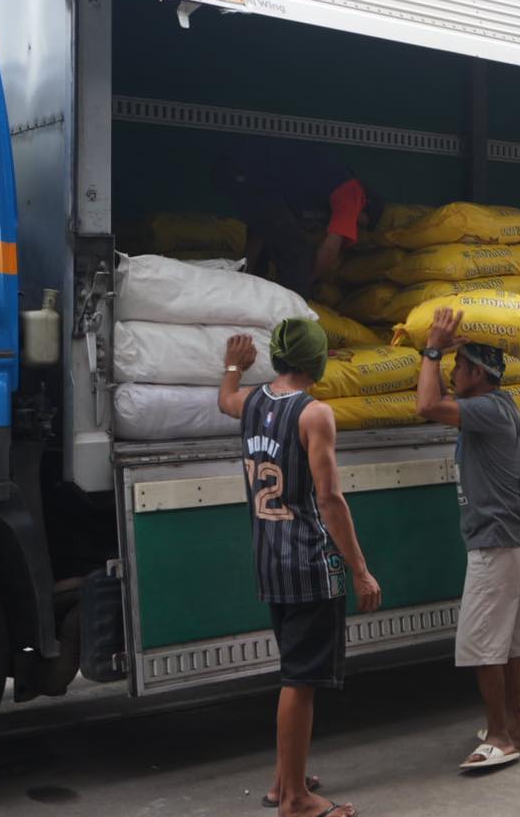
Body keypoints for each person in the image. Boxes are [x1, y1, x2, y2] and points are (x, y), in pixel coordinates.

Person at [217, 318, 381, 817]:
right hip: (310, 563)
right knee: (301, 681)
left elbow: (226, 399)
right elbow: (329, 499)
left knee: (295, 673)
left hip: (270, 560)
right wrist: (359, 569)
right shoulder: (315, 414)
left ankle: (282, 780)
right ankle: (296, 800)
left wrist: (232, 367)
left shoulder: (251, 402)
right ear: (317, 362)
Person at [416, 308, 520, 771]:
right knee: (507, 644)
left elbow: (426, 405)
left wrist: (431, 348)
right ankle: (516, 730)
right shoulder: (494, 406)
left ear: (479, 374)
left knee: (486, 643)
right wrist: (440, 351)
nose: (450, 372)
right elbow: (437, 396)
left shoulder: (486, 409)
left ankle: (501, 736)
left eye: (458, 366)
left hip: (495, 540)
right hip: (505, 537)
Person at [211, 142, 382, 297]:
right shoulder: (352, 192)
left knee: (275, 246)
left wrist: (246, 269)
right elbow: (330, 250)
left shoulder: (311, 195)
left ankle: (247, 297)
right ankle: (290, 317)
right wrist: (303, 283)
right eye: (360, 223)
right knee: (300, 255)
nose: (354, 225)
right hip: (251, 171)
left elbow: (262, 227)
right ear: (365, 205)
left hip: (236, 169)